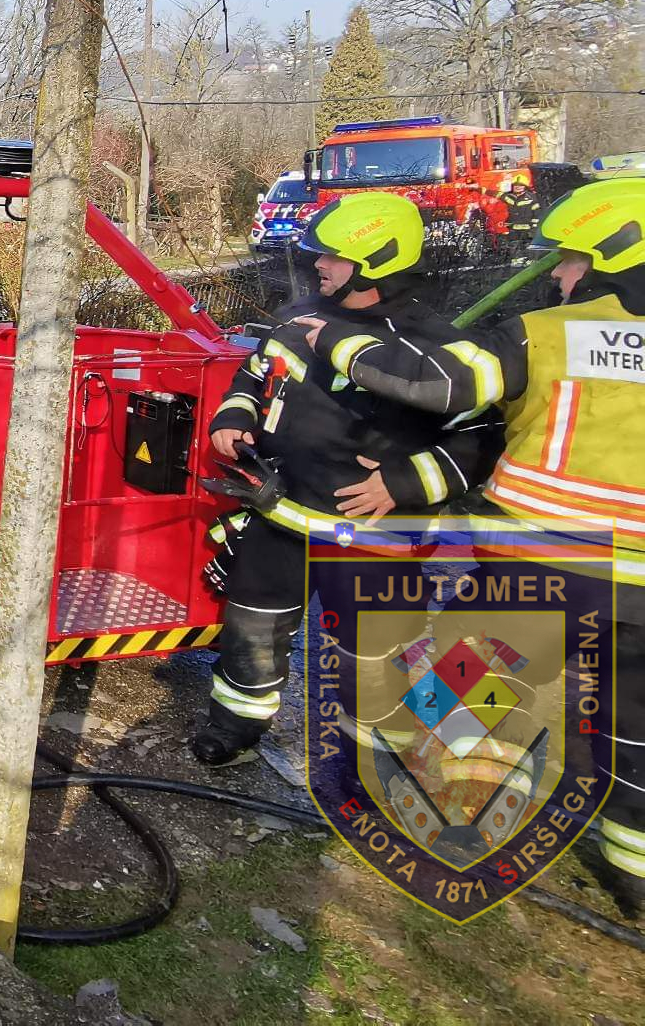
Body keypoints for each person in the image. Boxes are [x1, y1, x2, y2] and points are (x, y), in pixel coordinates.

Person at [298, 180, 645, 916]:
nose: (557, 273)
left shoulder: (549, 334)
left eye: (571, 259)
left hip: (545, 564)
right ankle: (634, 869)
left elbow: (438, 384)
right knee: (636, 718)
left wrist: (335, 340)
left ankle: (441, 817)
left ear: (612, 257)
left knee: (473, 695)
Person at [193, 191, 503, 767]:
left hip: (374, 534)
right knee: (253, 629)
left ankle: (377, 756)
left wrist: (406, 484)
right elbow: (255, 373)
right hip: (280, 511)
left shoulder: (434, 348)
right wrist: (234, 415)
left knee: (374, 651)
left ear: (377, 261)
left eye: (332, 256)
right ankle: (234, 727)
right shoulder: (297, 318)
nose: (319, 266)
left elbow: (480, 438)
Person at [499, 173, 542, 247]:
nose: (518, 187)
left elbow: (537, 215)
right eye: (516, 185)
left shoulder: (532, 198)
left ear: (525, 187)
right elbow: (495, 194)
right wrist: (478, 188)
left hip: (526, 231)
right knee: (512, 249)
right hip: (512, 230)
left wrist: (533, 229)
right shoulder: (509, 197)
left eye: (520, 185)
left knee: (525, 250)